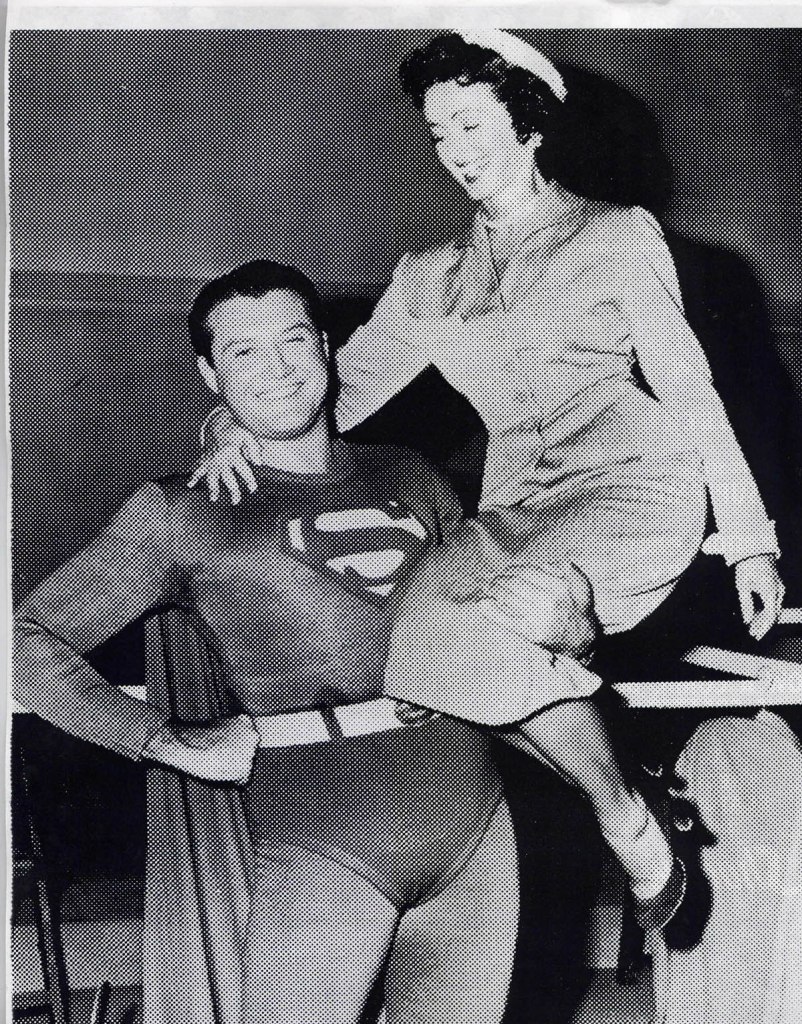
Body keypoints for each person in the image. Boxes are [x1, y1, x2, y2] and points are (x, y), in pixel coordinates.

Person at [193, 30, 785, 946]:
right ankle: (629, 797)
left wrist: (749, 540)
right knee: (416, 654)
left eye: (472, 126)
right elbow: (327, 389)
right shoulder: (429, 280)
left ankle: (627, 820)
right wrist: (225, 421)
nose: (456, 152)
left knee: (499, 628)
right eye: (439, 134)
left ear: (528, 126)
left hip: (631, 485)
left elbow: (690, 388)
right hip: (519, 505)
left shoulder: (616, 235)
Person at [12, 259, 601, 1024]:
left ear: (326, 347)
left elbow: (499, 645)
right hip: (323, 836)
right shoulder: (180, 511)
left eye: (293, 340)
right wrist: (163, 740)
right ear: (210, 375)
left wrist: (575, 639)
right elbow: (25, 643)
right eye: (243, 352)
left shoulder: (414, 476)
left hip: (475, 825)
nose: (277, 369)